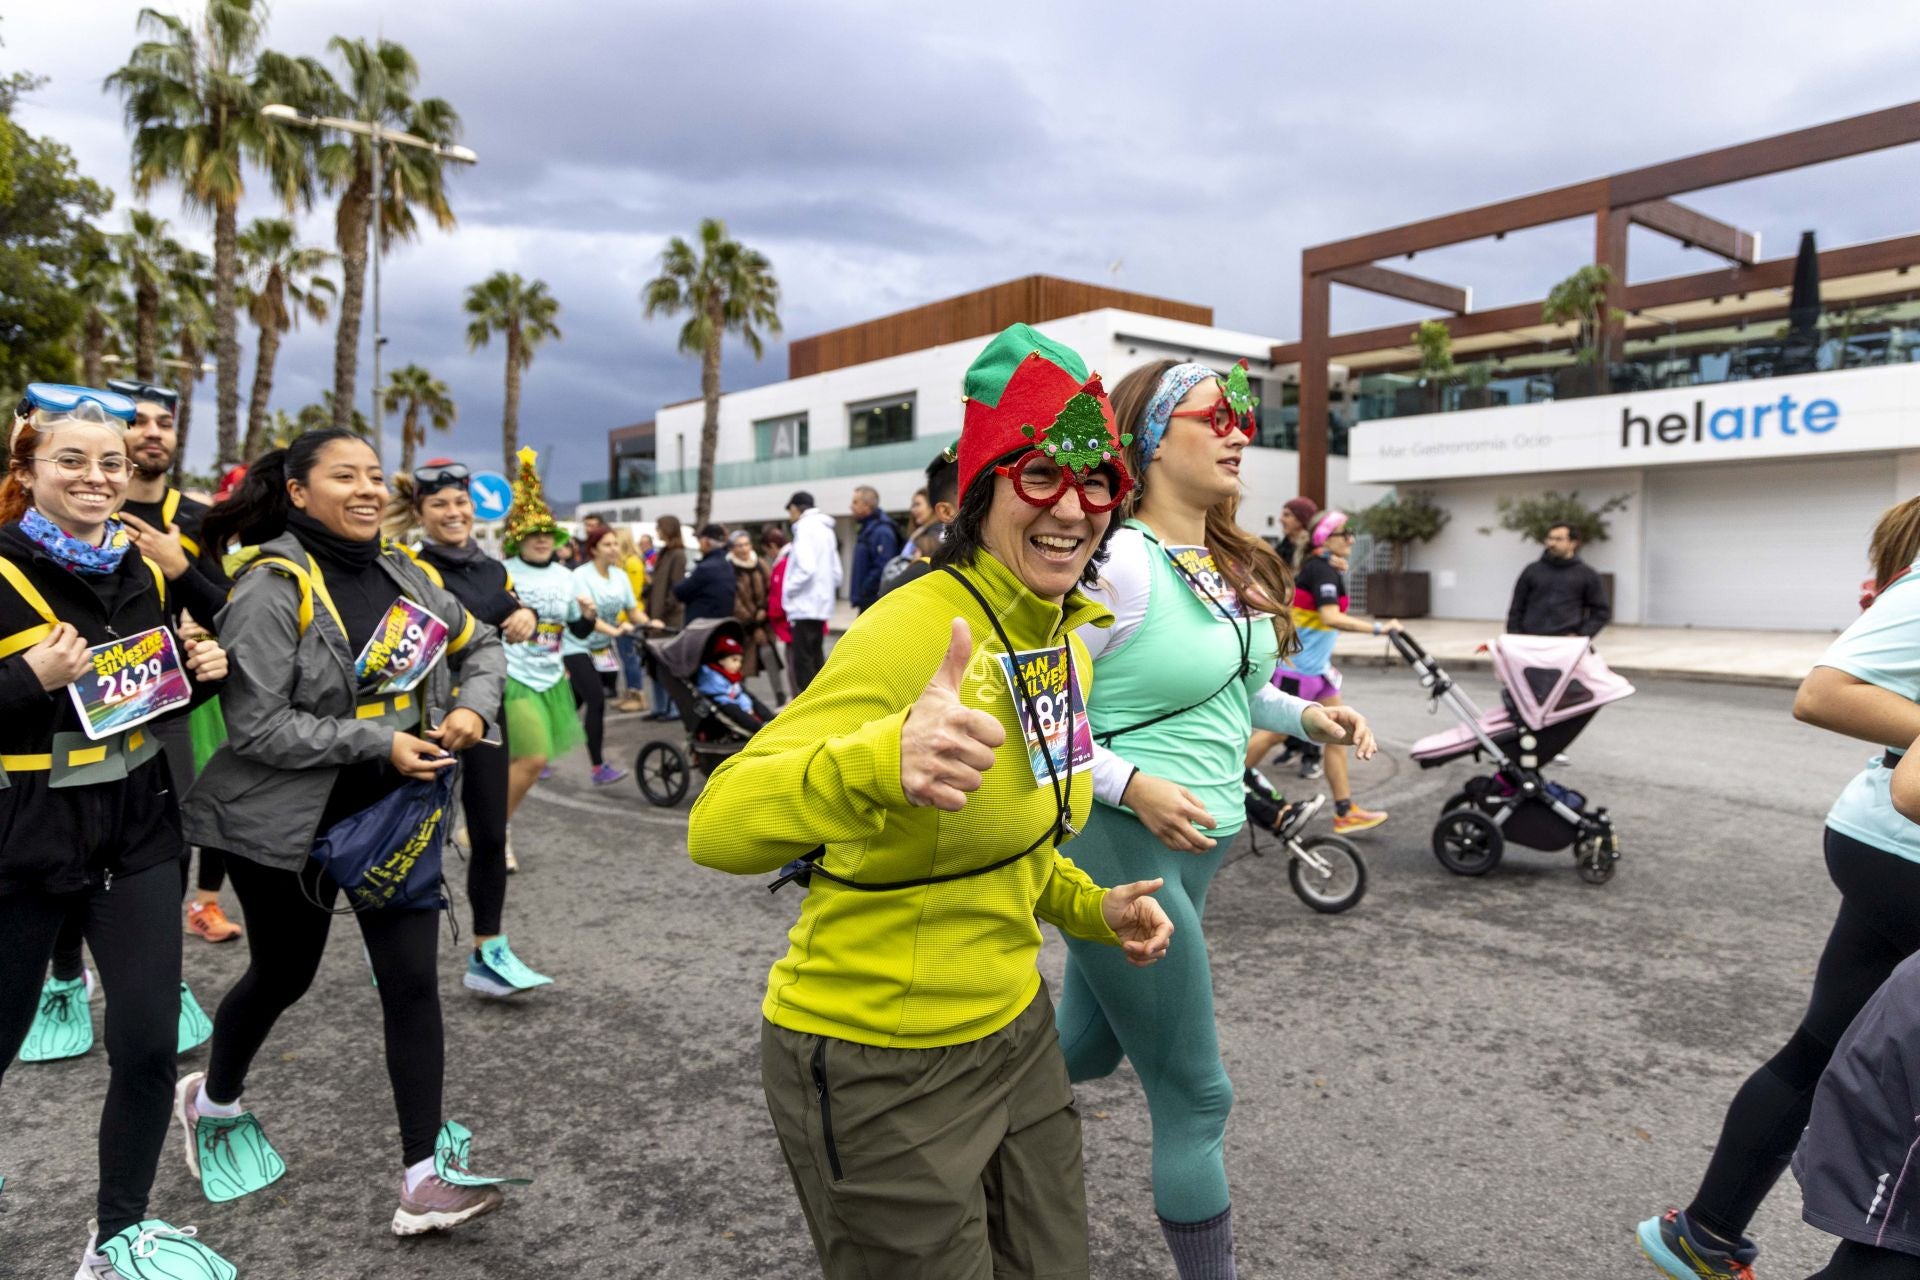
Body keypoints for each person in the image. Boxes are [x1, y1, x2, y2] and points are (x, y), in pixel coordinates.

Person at [689, 322, 1175, 1280]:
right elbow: (719, 825)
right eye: (1041, 475)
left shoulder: (1064, 636)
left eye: (1097, 484)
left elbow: (1014, 842)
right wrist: (878, 761)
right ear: (986, 487)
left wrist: (1093, 906)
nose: (1072, 507)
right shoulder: (914, 628)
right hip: (881, 1058)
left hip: (1015, 1031)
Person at [1059, 358, 1376, 1279]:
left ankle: (940, 1097)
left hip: (1194, 847)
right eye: (1218, 416)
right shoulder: (1115, 563)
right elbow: (1042, 719)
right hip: (1122, 843)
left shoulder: (1216, 561)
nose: (1242, 432)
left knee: (1081, 1051)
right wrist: (1131, 788)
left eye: (1247, 417)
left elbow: (1231, 692)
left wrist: (1305, 715)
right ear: (1153, 438)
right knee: (1196, 1098)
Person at [178, 428, 513, 1240]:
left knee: (411, 983)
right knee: (283, 974)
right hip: (283, 823)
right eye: (343, 476)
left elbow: (485, 643)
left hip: (393, 814)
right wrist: (379, 741)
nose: (366, 489)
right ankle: (211, 1098)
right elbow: (257, 729)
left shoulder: (407, 572)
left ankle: (423, 1178)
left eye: (373, 476)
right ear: (297, 491)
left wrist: (472, 707)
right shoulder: (269, 585)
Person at [1637, 495, 1920, 1280]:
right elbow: (1823, 693)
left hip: (1883, 840)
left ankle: (1705, 1232)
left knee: (1823, 1046)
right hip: (1902, 844)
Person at [0, 384, 236, 1277]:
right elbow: (40, 699)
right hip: (22, 842)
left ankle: (118, 1235)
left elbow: (133, 703)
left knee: (145, 1042)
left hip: (139, 832)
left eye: (108, 461)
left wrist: (200, 672)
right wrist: (27, 678)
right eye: (71, 460)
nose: (96, 476)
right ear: (27, 470)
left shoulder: (140, 568)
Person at [395, 461, 552, 996]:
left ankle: (488, 951)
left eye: (459, 503)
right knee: (415, 839)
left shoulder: (491, 568)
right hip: (426, 718)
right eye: (438, 505)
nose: (453, 513)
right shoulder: (412, 571)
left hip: (483, 710)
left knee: (489, 833)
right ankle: (390, 949)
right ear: (420, 513)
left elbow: (510, 610)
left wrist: (526, 615)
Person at [109, 379, 241, 947]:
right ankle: (66, 971)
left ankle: (170, 956)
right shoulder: (81, 503)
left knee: (179, 824)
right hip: (83, 694)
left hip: (172, 697)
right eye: (138, 421)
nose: (152, 433)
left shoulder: (194, 517)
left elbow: (233, 610)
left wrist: (179, 569)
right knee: (81, 832)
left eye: (163, 423)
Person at [1270, 511, 1399, 834]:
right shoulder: (1322, 570)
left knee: (1338, 734)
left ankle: (1345, 810)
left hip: (1317, 671)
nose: (1352, 539)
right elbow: (1330, 617)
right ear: (1325, 539)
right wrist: (1379, 628)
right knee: (1270, 732)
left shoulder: (1323, 568)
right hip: (1299, 670)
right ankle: (1212, 792)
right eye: (1346, 533)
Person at [498, 449, 596, 837]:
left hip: (551, 676)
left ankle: (491, 827)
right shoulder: (502, 572)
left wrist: (587, 615)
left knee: (522, 761)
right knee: (532, 758)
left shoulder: (566, 575)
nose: (541, 541)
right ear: (518, 539)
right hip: (513, 675)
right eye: (532, 535)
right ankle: (493, 831)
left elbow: (579, 632)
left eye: (546, 534)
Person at [567, 524, 640, 786]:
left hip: (602, 648)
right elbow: (586, 618)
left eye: (616, 544)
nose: (614, 549)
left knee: (571, 704)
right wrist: (617, 631)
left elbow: (633, 611)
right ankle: (598, 768)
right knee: (596, 700)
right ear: (594, 548)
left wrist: (649, 622)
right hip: (575, 644)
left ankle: (534, 750)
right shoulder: (580, 576)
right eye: (608, 544)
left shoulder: (620, 576)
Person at [878, 447, 959, 601]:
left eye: (917, 504)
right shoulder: (921, 533)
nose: (913, 510)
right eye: (912, 505)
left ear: (936, 507)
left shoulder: (934, 538)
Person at [1506, 520, 1610, 637]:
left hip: (1566, 644)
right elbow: (1516, 608)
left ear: (1573, 543)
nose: (1552, 543)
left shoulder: (1587, 574)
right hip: (1530, 640)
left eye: (1559, 539)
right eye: (1550, 538)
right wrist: (1515, 635)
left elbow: (1601, 611)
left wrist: (1582, 635)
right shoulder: (1531, 571)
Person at [782, 490, 840, 695]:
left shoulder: (804, 529)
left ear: (797, 508)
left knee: (804, 664)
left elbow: (806, 568)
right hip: (820, 604)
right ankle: (824, 703)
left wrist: (788, 590)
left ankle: (811, 711)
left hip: (804, 604)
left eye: (790, 509)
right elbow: (836, 571)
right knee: (816, 659)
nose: (790, 514)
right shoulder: (826, 529)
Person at [643, 515, 687, 721]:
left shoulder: (677, 554)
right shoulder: (665, 553)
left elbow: (675, 587)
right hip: (656, 616)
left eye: (658, 527)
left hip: (667, 620)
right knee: (655, 666)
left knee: (668, 667)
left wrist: (664, 610)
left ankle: (674, 708)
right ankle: (660, 707)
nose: (656, 531)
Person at [727, 530, 775, 695]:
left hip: (763, 618)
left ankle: (780, 695)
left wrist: (763, 611)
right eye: (739, 545)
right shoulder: (729, 568)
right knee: (740, 661)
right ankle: (739, 696)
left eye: (746, 544)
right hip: (742, 624)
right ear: (732, 548)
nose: (743, 549)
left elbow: (771, 589)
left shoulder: (760, 564)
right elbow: (733, 599)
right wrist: (752, 622)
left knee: (770, 657)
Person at [696, 633, 770, 734]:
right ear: (721, 661)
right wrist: (745, 707)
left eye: (740, 661)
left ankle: (772, 719)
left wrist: (746, 705)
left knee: (750, 697)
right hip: (723, 704)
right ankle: (758, 728)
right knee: (732, 706)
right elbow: (721, 694)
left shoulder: (729, 675)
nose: (739, 665)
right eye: (734, 660)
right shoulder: (710, 675)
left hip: (735, 701)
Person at [847, 484, 900, 612]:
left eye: (855, 502)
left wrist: (865, 589)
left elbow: (883, 567)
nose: (851, 506)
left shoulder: (882, 531)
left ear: (867, 505)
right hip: (866, 601)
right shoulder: (867, 529)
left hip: (873, 603)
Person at [613, 528, 649, 713]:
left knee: (631, 658)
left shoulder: (632, 563)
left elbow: (632, 596)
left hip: (630, 620)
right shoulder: (624, 563)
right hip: (623, 618)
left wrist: (620, 618)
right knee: (626, 659)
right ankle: (630, 692)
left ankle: (638, 695)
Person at [674, 521, 735, 624]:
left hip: (702, 628)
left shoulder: (706, 568)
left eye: (700, 540)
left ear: (706, 542)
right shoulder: (727, 565)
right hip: (721, 624)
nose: (699, 544)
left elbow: (681, 591)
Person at [762, 525, 794, 706]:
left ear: (773, 546)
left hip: (789, 623)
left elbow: (779, 594)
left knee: (795, 667)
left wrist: (772, 613)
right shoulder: (789, 558)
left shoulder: (784, 562)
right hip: (792, 621)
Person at [1277, 495, 1318, 574]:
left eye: (1287, 515)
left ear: (1301, 519)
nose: (1280, 519)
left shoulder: (1313, 550)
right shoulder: (1282, 548)